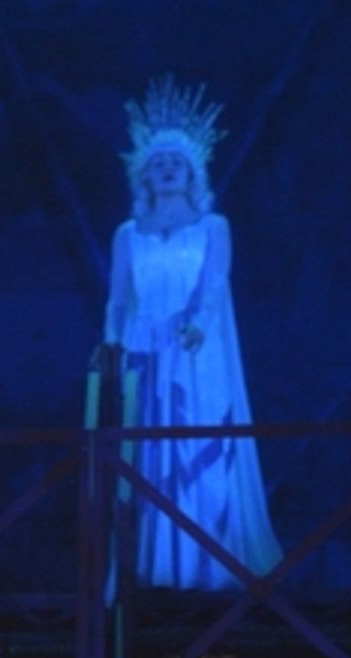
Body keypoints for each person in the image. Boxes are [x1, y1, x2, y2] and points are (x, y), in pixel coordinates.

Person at [103, 77, 281, 590]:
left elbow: (214, 284)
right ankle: (152, 567)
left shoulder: (212, 227)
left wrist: (198, 326)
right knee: (147, 457)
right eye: (157, 163)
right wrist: (111, 343)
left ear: (190, 172)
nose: (165, 170)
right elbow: (117, 297)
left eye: (174, 163)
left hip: (192, 351)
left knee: (195, 447)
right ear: (145, 175)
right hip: (142, 350)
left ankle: (209, 566)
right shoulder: (128, 235)